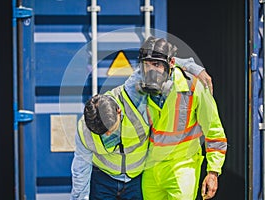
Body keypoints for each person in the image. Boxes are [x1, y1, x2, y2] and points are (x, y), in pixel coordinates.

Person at [70, 44, 214, 199]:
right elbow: (80, 171)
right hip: (104, 180)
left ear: (119, 111)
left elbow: (157, 62)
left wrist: (193, 67)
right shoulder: (85, 130)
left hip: (136, 180)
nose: (109, 134)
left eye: (112, 129)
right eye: (103, 134)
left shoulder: (131, 95)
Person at [129, 36, 227, 200]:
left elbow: (214, 130)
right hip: (151, 168)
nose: (151, 70)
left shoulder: (193, 87)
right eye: (147, 65)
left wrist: (213, 172)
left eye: (157, 65)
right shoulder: (137, 89)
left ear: (171, 64)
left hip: (183, 167)